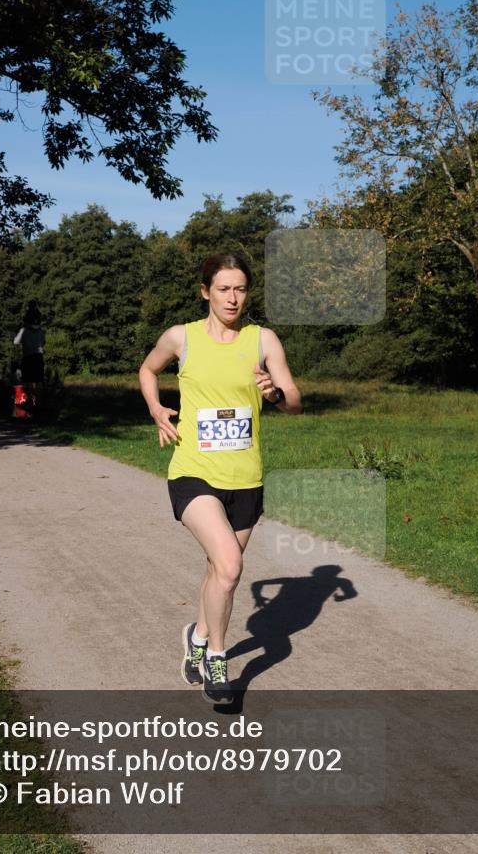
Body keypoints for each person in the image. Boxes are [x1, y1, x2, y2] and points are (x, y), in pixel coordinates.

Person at [139, 253, 301, 703]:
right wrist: (156, 408)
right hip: (193, 472)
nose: (233, 298)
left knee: (219, 570)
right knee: (230, 565)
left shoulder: (262, 340)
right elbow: (148, 370)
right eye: (224, 288)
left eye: (241, 289)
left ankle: (195, 637)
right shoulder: (181, 337)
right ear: (205, 291)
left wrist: (276, 392)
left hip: (246, 478)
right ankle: (216, 658)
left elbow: (294, 400)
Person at [14, 302, 46, 416]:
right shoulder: (41, 330)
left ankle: (30, 404)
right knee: (37, 382)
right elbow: (43, 342)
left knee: (27, 381)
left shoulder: (24, 330)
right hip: (38, 356)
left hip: (28, 357)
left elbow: (16, 342)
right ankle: (37, 404)